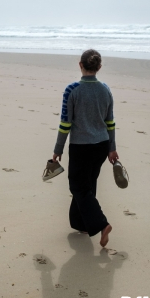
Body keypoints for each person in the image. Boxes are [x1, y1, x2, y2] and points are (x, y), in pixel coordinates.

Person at [52, 49, 118, 247]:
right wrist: (112, 147)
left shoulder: (72, 90)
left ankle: (101, 224)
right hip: (101, 145)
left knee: (78, 186)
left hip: (81, 146)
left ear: (80, 65)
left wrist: (58, 149)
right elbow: (110, 122)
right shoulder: (106, 89)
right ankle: (81, 223)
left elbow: (65, 124)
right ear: (98, 67)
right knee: (88, 184)